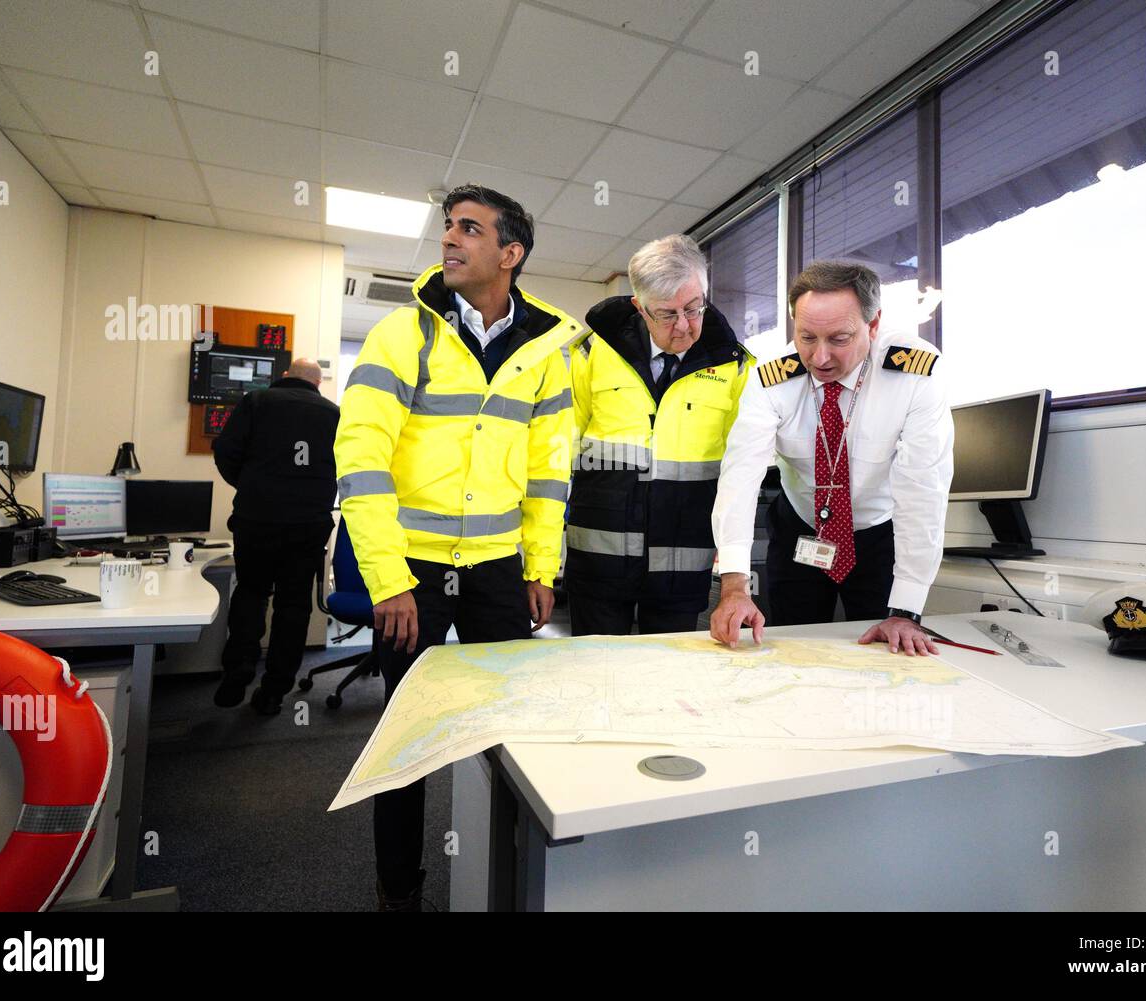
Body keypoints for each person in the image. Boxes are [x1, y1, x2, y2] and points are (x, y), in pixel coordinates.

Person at [334, 184, 580, 911]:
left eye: (468, 229)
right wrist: (386, 578)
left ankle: (509, 879)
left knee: (506, 734)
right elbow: (362, 459)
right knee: (406, 742)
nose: (449, 239)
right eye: (447, 227)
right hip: (411, 573)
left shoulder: (545, 351)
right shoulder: (400, 334)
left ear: (511, 254)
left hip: (498, 571)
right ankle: (398, 889)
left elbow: (549, 470)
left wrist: (541, 566)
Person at [709, 260, 953, 655]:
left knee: (880, 655)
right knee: (793, 649)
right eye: (806, 337)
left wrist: (906, 609)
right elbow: (740, 476)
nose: (819, 358)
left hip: (878, 534)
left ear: (873, 326)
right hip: (800, 529)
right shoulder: (772, 379)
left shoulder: (915, 374)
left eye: (839, 339)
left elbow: (923, 486)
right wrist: (734, 585)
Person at [566, 235, 752, 635]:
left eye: (693, 308)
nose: (684, 326)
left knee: (671, 682)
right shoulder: (590, 355)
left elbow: (741, 472)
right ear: (639, 307)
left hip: (681, 564)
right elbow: (556, 455)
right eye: (667, 314)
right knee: (593, 677)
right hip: (599, 560)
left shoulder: (735, 367)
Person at [212, 358, 339, 714]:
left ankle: (237, 671)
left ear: (285, 377)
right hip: (308, 525)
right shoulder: (335, 414)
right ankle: (274, 691)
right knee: (294, 605)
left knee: (251, 593)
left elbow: (225, 452)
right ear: (317, 383)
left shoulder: (256, 401)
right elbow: (346, 467)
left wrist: (253, 487)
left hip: (257, 519)